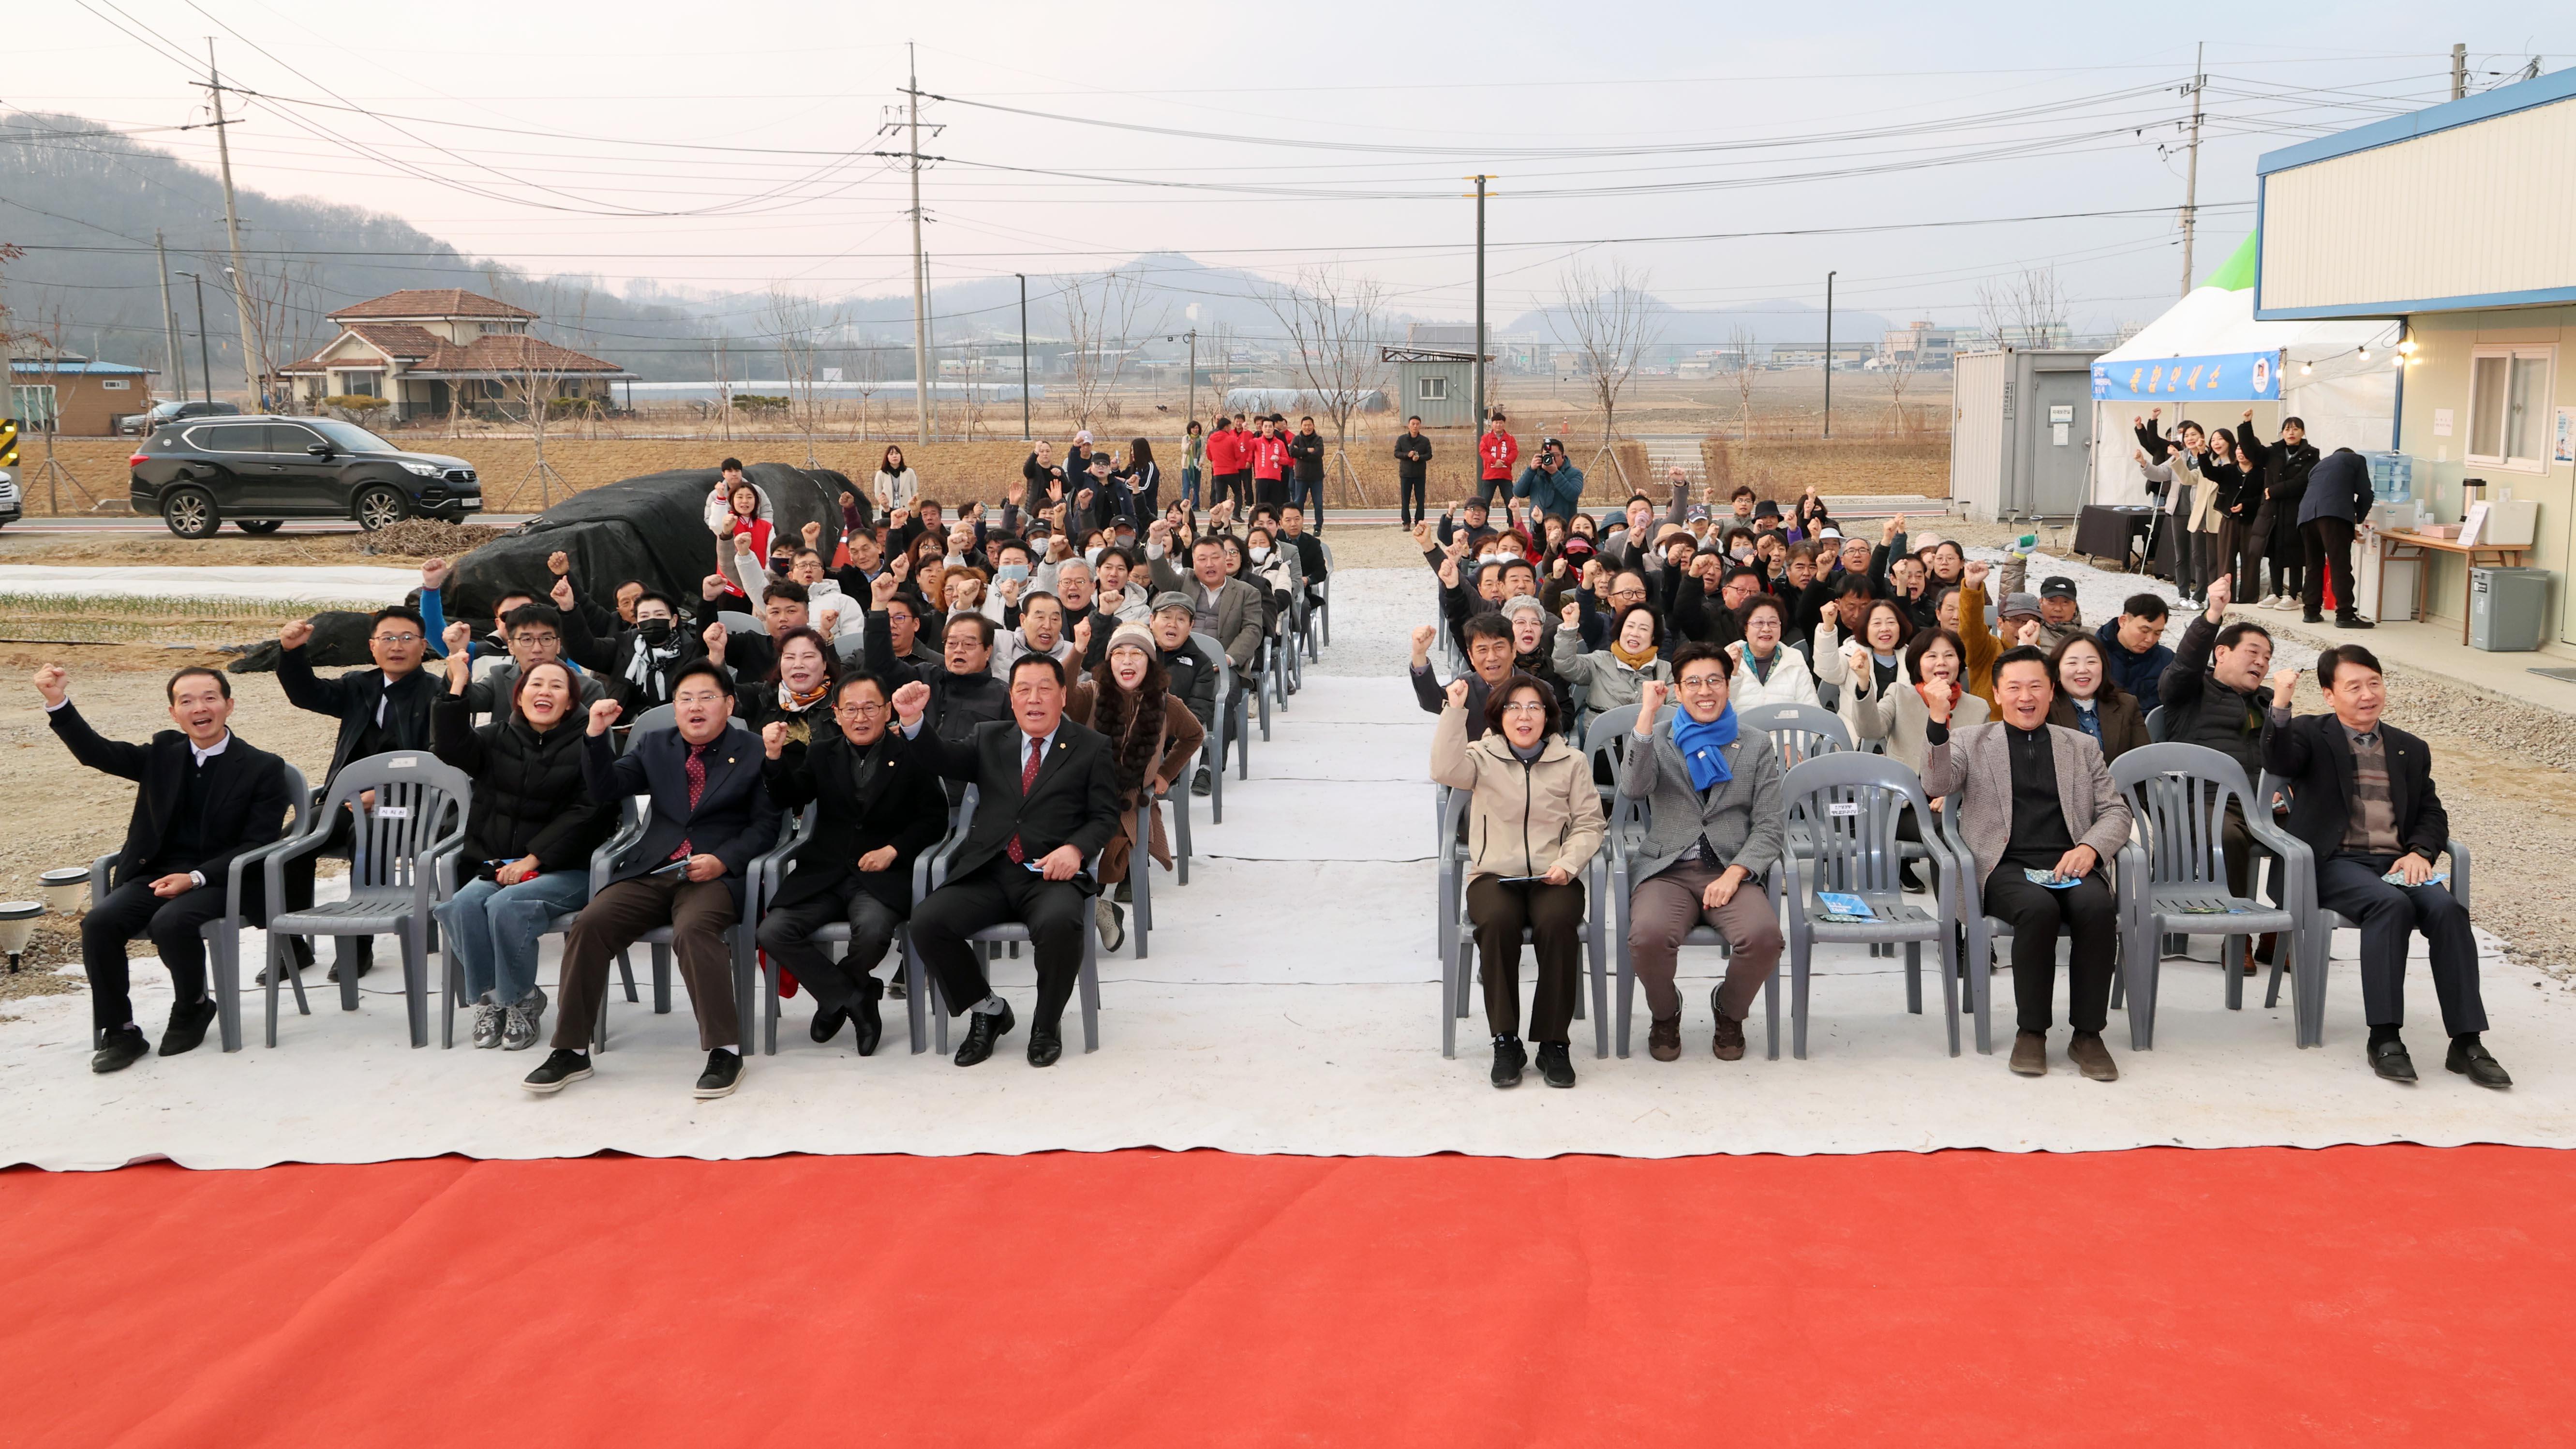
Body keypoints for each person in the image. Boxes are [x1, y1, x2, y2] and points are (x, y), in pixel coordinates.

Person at [521, 659, 780, 1100]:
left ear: (729, 704)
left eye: (706, 697)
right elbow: (606, 788)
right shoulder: (656, 744)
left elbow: (766, 825)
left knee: (694, 930)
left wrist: (722, 860)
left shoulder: (754, 749)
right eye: (685, 699)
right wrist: (596, 735)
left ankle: (725, 1050)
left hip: (714, 874)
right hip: (653, 867)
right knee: (589, 923)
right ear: (674, 706)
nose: (695, 707)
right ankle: (571, 1049)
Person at [2265, 645, 2505, 1087]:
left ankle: (2467, 1041)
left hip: (2396, 862)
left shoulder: (2408, 748)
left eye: (2374, 683)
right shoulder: (2310, 734)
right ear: (2329, 695)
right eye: (2353, 686)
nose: (2367, 695)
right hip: (2332, 861)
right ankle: (2384, 1037)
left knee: (2447, 910)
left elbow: (2431, 813)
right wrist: (2281, 700)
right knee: (2389, 905)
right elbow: (2278, 761)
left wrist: (2419, 852)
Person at [38, 663, 295, 1073]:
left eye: (210, 698)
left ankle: (193, 1004)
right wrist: (57, 702)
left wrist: (194, 877)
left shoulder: (262, 766)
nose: (200, 708)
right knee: (100, 922)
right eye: (186, 701)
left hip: (223, 879)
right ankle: (120, 1031)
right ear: (174, 713)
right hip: (154, 873)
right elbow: (97, 753)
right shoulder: (163, 752)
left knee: (171, 922)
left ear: (229, 705)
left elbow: (259, 843)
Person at [891, 656, 1125, 1068]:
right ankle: (988, 1009)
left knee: (1060, 924)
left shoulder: (1091, 746)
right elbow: (942, 758)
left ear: (1063, 695)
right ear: (1011, 698)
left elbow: (1105, 816)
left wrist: (1075, 850)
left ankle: (1046, 1024)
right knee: (927, 922)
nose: (1034, 699)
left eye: (1044, 689)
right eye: (1023, 690)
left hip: (1050, 874)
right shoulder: (989, 737)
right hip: (989, 869)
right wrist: (912, 721)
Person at [1921, 646, 2134, 1082]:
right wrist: (1938, 722)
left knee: (2097, 907)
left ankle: (2088, 1034)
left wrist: (2091, 848)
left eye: (2036, 686)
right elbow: (1936, 781)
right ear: (1997, 694)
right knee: (2036, 909)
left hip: (2070, 863)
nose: (2026, 697)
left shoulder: (2081, 746)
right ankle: (2031, 1031)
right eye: (2014, 687)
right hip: (2004, 865)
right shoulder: (1971, 740)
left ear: (2051, 691)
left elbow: (2116, 810)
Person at [429, 648, 615, 1052]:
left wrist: (533, 859)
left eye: (556, 686)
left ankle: (519, 1000)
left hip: (567, 868)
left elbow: (588, 812)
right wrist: (457, 685)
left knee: (507, 905)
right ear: (519, 695)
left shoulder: (588, 743)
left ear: (571, 701)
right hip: (501, 866)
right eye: (536, 684)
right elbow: (449, 746)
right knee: (462, 904)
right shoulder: (496, 738)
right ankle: (498, 998)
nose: (544, 691)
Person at [754, 671, 947, 1058]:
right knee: (773, 931)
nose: (861, 717)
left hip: (881, 875)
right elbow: (790, 796)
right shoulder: (821, 753)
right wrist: (773, 757)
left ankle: (836, 997)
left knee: (873, 931)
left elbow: (935, 818)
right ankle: (855, 997)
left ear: (887, 711)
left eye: (870, 708)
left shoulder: (910, 753)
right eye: (851, 709)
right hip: (825, 871)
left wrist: (894, 849)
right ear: (837, 714)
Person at [1430, 670, 1606, 1089]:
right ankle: (1505, 1040)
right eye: (1513, 707)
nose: (1523, 716)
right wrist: (1454, 711)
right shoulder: (1480, 756)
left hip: (1553, 874)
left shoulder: (1572, 762)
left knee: (1557, 923)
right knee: (1496, 923)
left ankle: (1553, 1042)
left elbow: (1590, 824)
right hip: (1494, 875)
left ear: (1548, 715)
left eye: (1533, 707)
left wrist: (1568, 863)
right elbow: (1443, 768)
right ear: (1498, 714)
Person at [1618, 646, 1787, 1062]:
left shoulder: (1755, 743)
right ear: (1677, 690)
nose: (1704, 691)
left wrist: (1736, 872)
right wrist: (1646, 715)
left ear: (1728, 686)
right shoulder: (1659, 737)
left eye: (1714, 680)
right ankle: (1665, 1014)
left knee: (1764, 938)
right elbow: (1634, 787)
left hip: (1729, 867)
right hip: (1667, 869)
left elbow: (1770, 823)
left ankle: (1728, 1011)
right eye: (1692, 682)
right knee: (1648, 937)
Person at [275, 604, 439, 981]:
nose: (396, 646)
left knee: (365, 836)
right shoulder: (358, 686)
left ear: (422, 645)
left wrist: (386, 795)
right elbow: (306, 693)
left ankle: (358, 944)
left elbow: (441, 759)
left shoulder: (437, 693)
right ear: (372, 646)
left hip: (409, 806)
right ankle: (294, 946)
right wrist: (292, 651)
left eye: (407, 638)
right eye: (387, 638)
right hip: (348, 801)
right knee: (291, 842)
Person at [1065, 624, 1205, 948]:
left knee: (1103, 835)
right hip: (1082, 794)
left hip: (1129, 802)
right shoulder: (1091, 693)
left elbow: (1194, 734)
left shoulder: (1167, 704)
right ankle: (1095, 908)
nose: (1127, 661)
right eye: (1119, 654)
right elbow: (1063, 695)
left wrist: (1166, 773)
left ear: (1150, 663)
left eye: (1136, 654)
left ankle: (1089, 906)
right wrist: (1078, 649)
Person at [1846, 624, 1987, 777]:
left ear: (1960, 662)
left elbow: (1983, 765)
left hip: (1959, 789)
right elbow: (1869, 730)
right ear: (1918, 665)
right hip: (1906, 787)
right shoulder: (1899, 695)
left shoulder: (1979, 708)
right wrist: (1863, 682)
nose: (1942, 662)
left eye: (1949, 655)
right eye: (1932, 656)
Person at [561, 588, 705, 713]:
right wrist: (568, 611)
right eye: (645, 616)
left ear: (674, 620)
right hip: (626, 728)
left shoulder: (692, 652)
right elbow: (584, 650)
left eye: (660, 615)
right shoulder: (621, 647)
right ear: (637, 623)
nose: (652, 620)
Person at [1147, 528, 1265, 673]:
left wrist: (1227, 659)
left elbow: (1252, 630)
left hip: (1224, 664)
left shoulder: (1247, 592)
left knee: (1227, 685)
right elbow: (1161, 578)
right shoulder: (1185, 580)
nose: (1210, 564)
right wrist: (1155, 541)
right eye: (1202, 559)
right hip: (1179, 658)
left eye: (1215, 558)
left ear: (1225, 559)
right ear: (1194, 563)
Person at [461, 602, 608, 717]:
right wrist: (458, 656)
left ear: (558, 645)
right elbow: (467, 700)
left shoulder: (587, 688)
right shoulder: (499, 679)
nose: (537, 648)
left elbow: (596, 740)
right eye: (527, 640)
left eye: (546, 639)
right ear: (511, 646)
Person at [1552, 599, 1669, 731]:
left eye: (1644, 629)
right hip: (1603, 741)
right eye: (1630, 626)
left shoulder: (1665, 670)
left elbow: (1674, 713)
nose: (1635, 633)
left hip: (1650, 740)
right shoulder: (1600, 660)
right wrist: (1569, 628)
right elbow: (1565, 666)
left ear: (1653, 637)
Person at [2237, 410, 2313, 610]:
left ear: (2303, 432)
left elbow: (2303, 481)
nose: (2291, 433)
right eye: (2287, 429)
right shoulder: (2274, 452)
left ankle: (2294, 595)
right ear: (2282, 433)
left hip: (2295, 510)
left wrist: (2274, 490)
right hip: (2272, 511)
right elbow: (2251, 450)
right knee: (2273, 551)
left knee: (2296, 554)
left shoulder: (2311, 454)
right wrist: (2247, 424)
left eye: (2295, 429)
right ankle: (2277, 593)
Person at [2299, 446, 2377, 628]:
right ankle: (2345, 615)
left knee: (2313, 564)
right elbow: (2366, 494)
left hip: (2306, 516)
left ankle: (2311, 612)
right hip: (2333, 516)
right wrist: (2358, 519)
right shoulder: (2356, 460)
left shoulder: (2319, 466)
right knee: (2340, 564)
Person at [1411, 612, 1519, 739]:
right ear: (1471, 656)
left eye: (1499, 647)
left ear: (1514, 650)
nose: (1492, 657)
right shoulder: (1465, 687)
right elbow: (1431, 701)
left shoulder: (1534, 688)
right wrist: (1419, 655)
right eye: (1482, 650)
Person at [2047, 633, 2148, 765]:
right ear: (2058, 670)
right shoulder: (2045, 707)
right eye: (2072, 663)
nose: (2083, 670)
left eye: (2091, 662)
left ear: (2103, 667)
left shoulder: (2127, 704)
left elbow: (2144, 762)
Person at [1726, 594, 1820, 710]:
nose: (1766, 629)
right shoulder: (1728, 658)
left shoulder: (1795, 659)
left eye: (1773, 623)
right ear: (1745, 627)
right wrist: (1733, 676)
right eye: (1759, 623)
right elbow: (1719, 711)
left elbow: (1812, 708)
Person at [2094, 594, 2174, 716]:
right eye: (2144, 631)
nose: (2150, 640)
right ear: (2123, 621)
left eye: (2157, 633)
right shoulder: (2092, 654)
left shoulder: (2167, 660)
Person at [1514, 437, 1585, 522]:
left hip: (1563, 526)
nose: (1551, 458)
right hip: (1538, 526)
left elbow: (1573, 495)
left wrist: (1555, 473)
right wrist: (1531, 470)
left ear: (1563, 457)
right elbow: (1518, 492)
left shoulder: (1574, 473)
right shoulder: (1535, 473)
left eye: (1555, 455)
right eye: (1547, 455)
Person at [1393, 415, 1433, 526]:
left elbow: (1429, 455)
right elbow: (1396, 453)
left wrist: (1419, 458)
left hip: (1419, 474)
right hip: (1406, 474)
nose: (1415, 426)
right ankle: (1406, 522)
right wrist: (1407, 455)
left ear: (1420, 426)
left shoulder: (1425, 440)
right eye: (1413, 424)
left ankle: (1419, 522)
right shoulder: (1402, 439)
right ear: (1409, 426)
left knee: (1420, 500)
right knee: (1405, 499)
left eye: (1417, 424)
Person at [1476, 411, 1519, 509]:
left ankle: (1512, 519)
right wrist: (1494, 461)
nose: (1499, 425)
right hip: (1489, 475)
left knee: (1510, 501)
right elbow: (1483, 452)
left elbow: (1514, 453)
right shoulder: (1486, 438)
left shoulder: (1510, 439)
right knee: (1485, 501)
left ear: (1504, 424)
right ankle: (1483, 519)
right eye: (1496, 423)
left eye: (1501, 423)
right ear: (1492, 424)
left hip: (1505, 475)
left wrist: (1504, 462)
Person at [874, 445, 920, 515]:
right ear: (887, 457)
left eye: (897, 453)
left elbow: (914, 490)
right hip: (888, 510)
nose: (894, 456)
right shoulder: (881, 474)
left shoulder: (909, 472)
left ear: (901, 456)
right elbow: (878, 493)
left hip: (906, 510)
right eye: (891, 454)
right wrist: (885, 504)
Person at [1179, 419, 1205, 510]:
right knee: (1186, 486)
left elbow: (1203, 452)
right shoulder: (1186, 438)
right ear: (1190, 429)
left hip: (1197, 465)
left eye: (1197, 428)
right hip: (1187, 465)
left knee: (1196, 486)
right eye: (1193, 428)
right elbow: (1184, 451)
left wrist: (1201, 462)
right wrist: (1189, 444)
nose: (1195, 430)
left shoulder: (1201, 439)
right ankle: (1184, 505)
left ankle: (1196, 505)